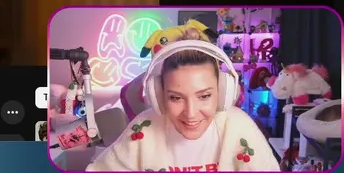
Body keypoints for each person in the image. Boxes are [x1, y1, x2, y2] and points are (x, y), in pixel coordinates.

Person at [87, 41, 279, 171]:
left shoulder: (239, 127)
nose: (191, 113)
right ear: (159, 96)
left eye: (204, 96)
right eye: (176, 98)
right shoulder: (144, 127)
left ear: (223, 93)